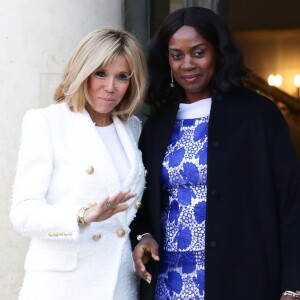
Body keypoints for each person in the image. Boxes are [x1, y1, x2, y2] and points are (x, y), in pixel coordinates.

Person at [130, 7, 300, 300]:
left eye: (198, 52)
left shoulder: (259, 116)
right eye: (176, 55)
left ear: (219, 53)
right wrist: (143, 235)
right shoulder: (157, 125)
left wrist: (292, 287)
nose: (187, 64)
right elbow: (142, 204)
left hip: (243, 279)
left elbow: (292, 205)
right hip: (170, 283)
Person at [10, 27, 147, 300]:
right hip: (62, 287)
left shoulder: (132, 127)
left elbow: (132, 210)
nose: (110, 87)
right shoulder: (46, 122)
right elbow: (22, 214)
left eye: (122, 77)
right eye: (101, 73)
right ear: (83, 71)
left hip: (118, 284)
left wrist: (144, 236)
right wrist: (82, 215)